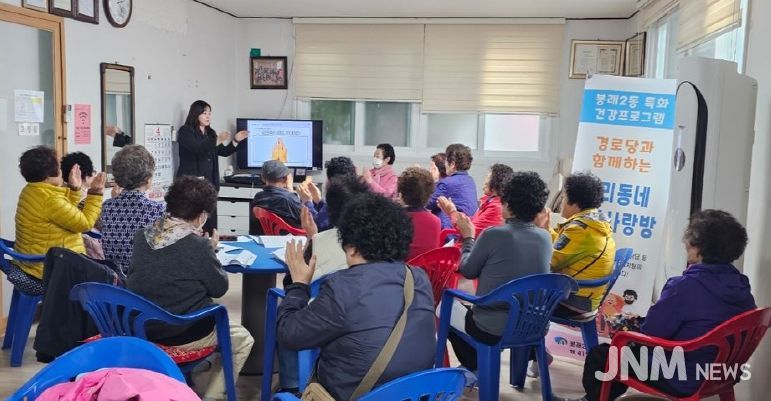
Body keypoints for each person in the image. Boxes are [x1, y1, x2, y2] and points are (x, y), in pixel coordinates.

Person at [558, 210, 757, 401]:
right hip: (722, 373)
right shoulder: (741, 287)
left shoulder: (684, 287)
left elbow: (652, 333)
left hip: (681, 375)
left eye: (689, 238)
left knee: (602, 355)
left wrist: (627, 328)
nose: (685, 242)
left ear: (699, 247)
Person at [277, 193, 436, 401]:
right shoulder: (418, 279)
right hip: (416, 395)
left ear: (351, 247)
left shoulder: (344, 287)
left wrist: (298, 285)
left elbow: (289, 334)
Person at [127, 176, 254, 401]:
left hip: (140, 326)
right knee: (243, 339)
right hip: (181, 332)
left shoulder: (142, 235)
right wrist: (210, 250)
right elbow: (219, 288)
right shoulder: (198, 245)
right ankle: (213, 397)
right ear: (202, 215)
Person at [444, 171, 552, 383]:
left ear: (508, 204)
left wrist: (468, 237)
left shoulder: (493, 234)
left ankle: (474, 367)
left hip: (491, 328)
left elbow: (468, 270)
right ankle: (517, 363)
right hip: (532, 326)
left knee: (443, 305)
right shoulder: (545, 237)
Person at [13, 146, 105, 287]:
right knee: (108, 278)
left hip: (30, 262)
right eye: (59, 168)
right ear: (48, 176)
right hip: (48, 269)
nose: (62, 172)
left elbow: (63, 214)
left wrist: (74, 190)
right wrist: (95, 193)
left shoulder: (31, 190)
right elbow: (85, 224)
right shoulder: (50, 200)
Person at [538, 172, 616, 319]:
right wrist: (546, 229)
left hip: (574, 300)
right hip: (587, 297)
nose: (561, 202)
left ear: (575, 203)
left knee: (516, 296)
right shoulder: (594, 222)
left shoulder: (581, 230)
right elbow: (565, 248)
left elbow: (549, 263)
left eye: (564, 198)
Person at [176, 100, 248, 233]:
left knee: (210, 222)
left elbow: (224, 152)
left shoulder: (210, 133)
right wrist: (217, 140)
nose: (208, 116)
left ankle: (209, 243)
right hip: (192, 186)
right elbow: (197, 148)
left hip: (210, 185)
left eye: (209, 113)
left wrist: (235, 140)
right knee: (193, 222)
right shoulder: (185, 131)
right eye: (205, 113)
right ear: (196, 114)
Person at [99, 145, 166, 274]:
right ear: (147, 180)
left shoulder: (106, 207)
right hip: (146, 278)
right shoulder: (158, 209)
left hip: (114, 279)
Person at [437, 163, 514, 238]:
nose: (485, 181)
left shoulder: (495, 207)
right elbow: (471, 221)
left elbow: (469, 231)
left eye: (488, 178)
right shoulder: (489, 201)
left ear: (496, 182)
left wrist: (452, 212)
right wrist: (453, 212)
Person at [60, 152, 103, 259]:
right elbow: (104, 225)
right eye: (93, 172)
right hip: (85, 254)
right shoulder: (86, 201)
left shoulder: (58, 196)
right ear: (85, 176)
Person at [297, 156, 356, 232]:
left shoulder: (337, 198)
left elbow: (317, 227)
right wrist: (319, 201)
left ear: (329, 180)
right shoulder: (355, 193)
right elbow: (325, 217)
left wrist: (307, 202)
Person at [251, 159, 315, 228]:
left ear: (263, 178)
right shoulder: (289, 199)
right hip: (293, 234)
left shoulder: (258, 196)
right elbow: (311, 221)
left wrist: (290, 192)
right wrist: (308, 201)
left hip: (270, 233)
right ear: (285, 179)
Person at [427, 144, 478, 229]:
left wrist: (434, 181)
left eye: (446, 161)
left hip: (449, 229)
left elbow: (427, 203)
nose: (445, 165)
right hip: (466, 228)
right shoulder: (470, 180)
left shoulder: (447, 183)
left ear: (452, 164)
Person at [397, 167, 441, 260]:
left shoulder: (395, 219)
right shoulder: (436, 221)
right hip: (426, 268)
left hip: (399, 268)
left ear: (400, 194)